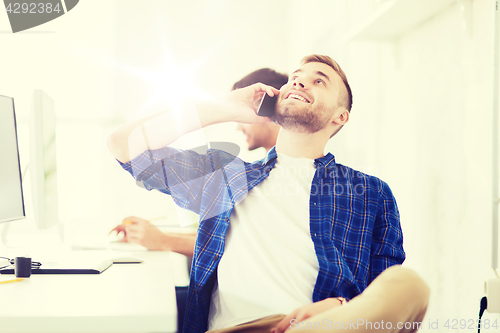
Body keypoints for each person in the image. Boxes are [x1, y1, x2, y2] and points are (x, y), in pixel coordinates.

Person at [107, 55, 429, 333]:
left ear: (340, 117)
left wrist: (343, 305)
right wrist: (222, 108)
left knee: (409, 286)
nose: (300, 84)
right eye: (295, 79)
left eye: (319, 82)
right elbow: (123, 144)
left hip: (321, 326)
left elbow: (382, 293)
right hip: (238, 328)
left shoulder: (370, 192)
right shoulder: (225, 177)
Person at [109, 68, 287, 256]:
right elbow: (224, 235)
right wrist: (152, 234)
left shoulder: (293, 180)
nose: (238, 126)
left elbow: (248, 248)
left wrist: (163, 240)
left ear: (266, 108)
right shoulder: (250, 175)